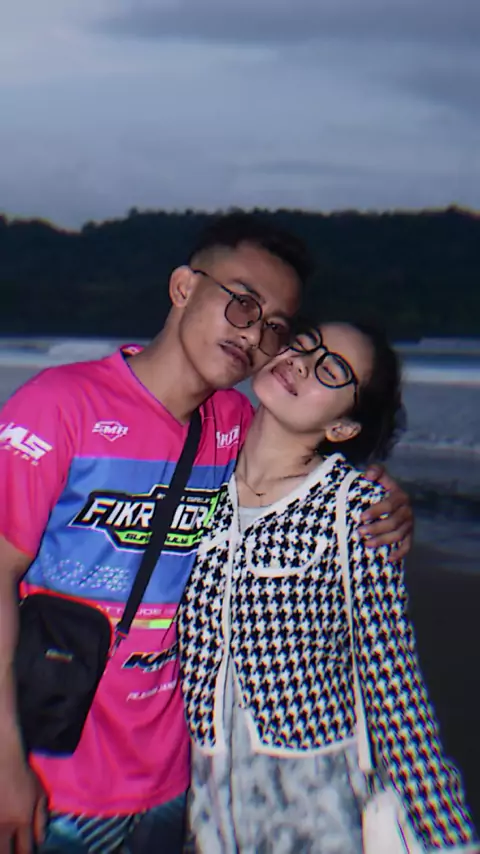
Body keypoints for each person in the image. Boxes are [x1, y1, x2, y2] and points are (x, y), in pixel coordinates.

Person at [0, 215, 413, 854]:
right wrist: (6, 760)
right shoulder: (60, 405)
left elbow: (309, 471)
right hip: (53, 778)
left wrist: (384, 497)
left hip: (176, 783)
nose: (254, 333)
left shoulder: (240, 427)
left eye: (275, 326)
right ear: (183, 288)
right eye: (243, 303)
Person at [178, 321, 478, 854]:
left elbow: (393, 680)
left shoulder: (354, 509)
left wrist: (446, 836)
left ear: (342, 427)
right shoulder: (193, 480)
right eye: (303, 345)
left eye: (332, 369)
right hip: (203, 802)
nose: (301, 361)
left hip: (315, 802)